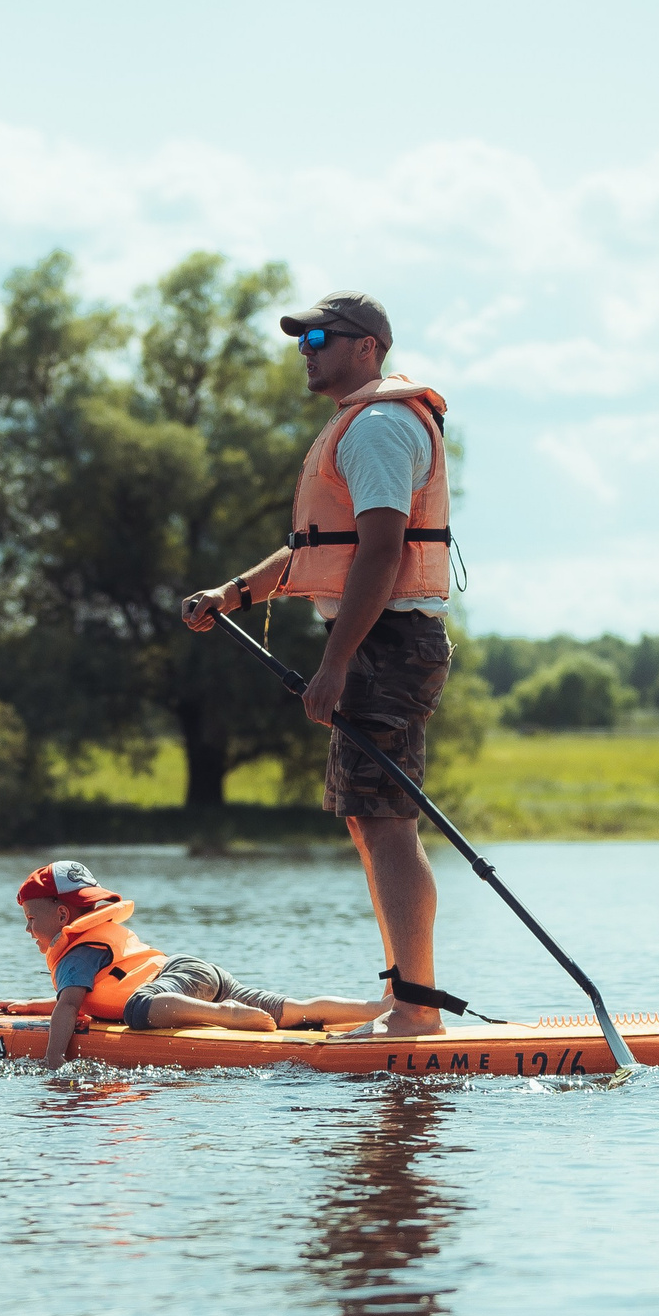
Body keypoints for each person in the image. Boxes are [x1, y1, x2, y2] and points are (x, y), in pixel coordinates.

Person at [179, 290, 454, 1037]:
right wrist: (233, 593)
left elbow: (382, 551)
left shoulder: (379, 427)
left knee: (386, 822)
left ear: (367, 347)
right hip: (379, 641)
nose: (306, 352)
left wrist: (335, 664)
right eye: (302, 340)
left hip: (386, 644)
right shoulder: (360, 425)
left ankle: (415, 1011)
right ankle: (405, 998)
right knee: (372, 821)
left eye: (319, 338)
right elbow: (316, 553)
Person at [0, 860, 389, 1068]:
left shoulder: (76, 952)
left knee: (136, 1008)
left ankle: (226, 1015)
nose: (28, 929)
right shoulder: (95, 940)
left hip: (173, 987)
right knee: (293, 1010)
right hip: (194, 974)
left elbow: (69, 1006)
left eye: (30, 919)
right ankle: (381, 1009)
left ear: (62, 915)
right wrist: (32, 1007)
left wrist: (53, 1061)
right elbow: (77, 1000)